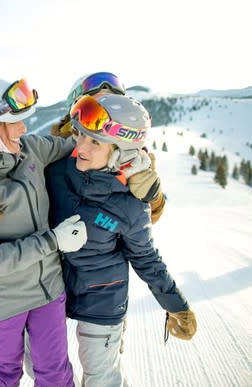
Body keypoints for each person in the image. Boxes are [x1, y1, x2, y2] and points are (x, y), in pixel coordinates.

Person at [45, 93, 197, 386]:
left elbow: (146, 257)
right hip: (52, 287)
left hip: (103, 295)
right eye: (81, 136)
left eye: (95, 142)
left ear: (119, 153)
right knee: (38, 363)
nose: (81, 147)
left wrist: (176, 304)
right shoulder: (56, 171)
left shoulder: (130, 204)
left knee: (101, 378)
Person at [0, 77, 88, 387]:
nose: (23, 128)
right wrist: (53, 241)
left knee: (55, 371)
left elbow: (78, 148)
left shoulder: (30, 151)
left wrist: (128, 155)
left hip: (48, 289)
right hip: (2, 300)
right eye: (12, 123)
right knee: (4, 372)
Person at [52, 72, 166, 223]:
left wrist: (151, 195)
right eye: (93, 110)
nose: (102, 118)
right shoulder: (54, 150)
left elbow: (148, 218)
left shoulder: (133, 158)